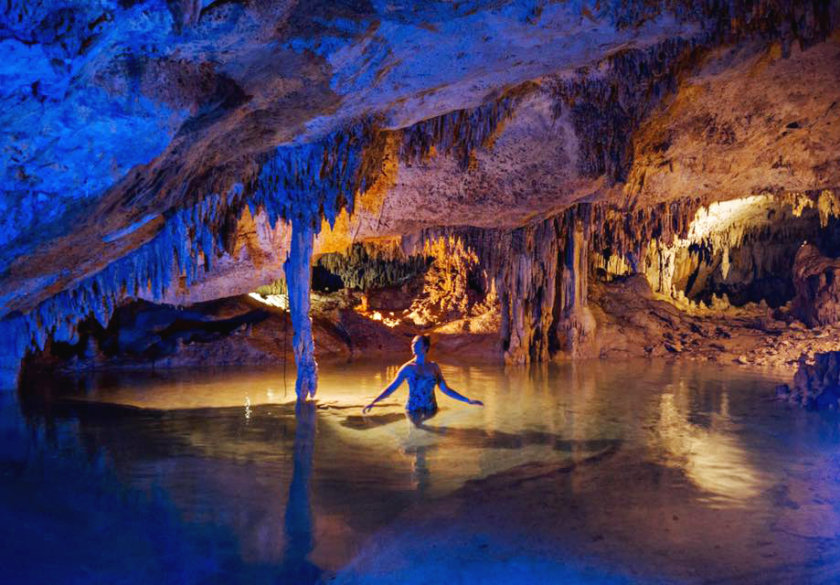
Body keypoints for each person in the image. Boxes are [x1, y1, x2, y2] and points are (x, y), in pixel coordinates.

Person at [362, 335, 483, 414]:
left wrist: (467, 400)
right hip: (413, 410)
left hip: (431, 409)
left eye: (416, 343)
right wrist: (374, 402)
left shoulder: (434, 367)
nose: (413, 346)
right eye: (412, 344)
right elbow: (391, 388)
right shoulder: (407, 368)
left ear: (425, 347)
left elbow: (445, 389)